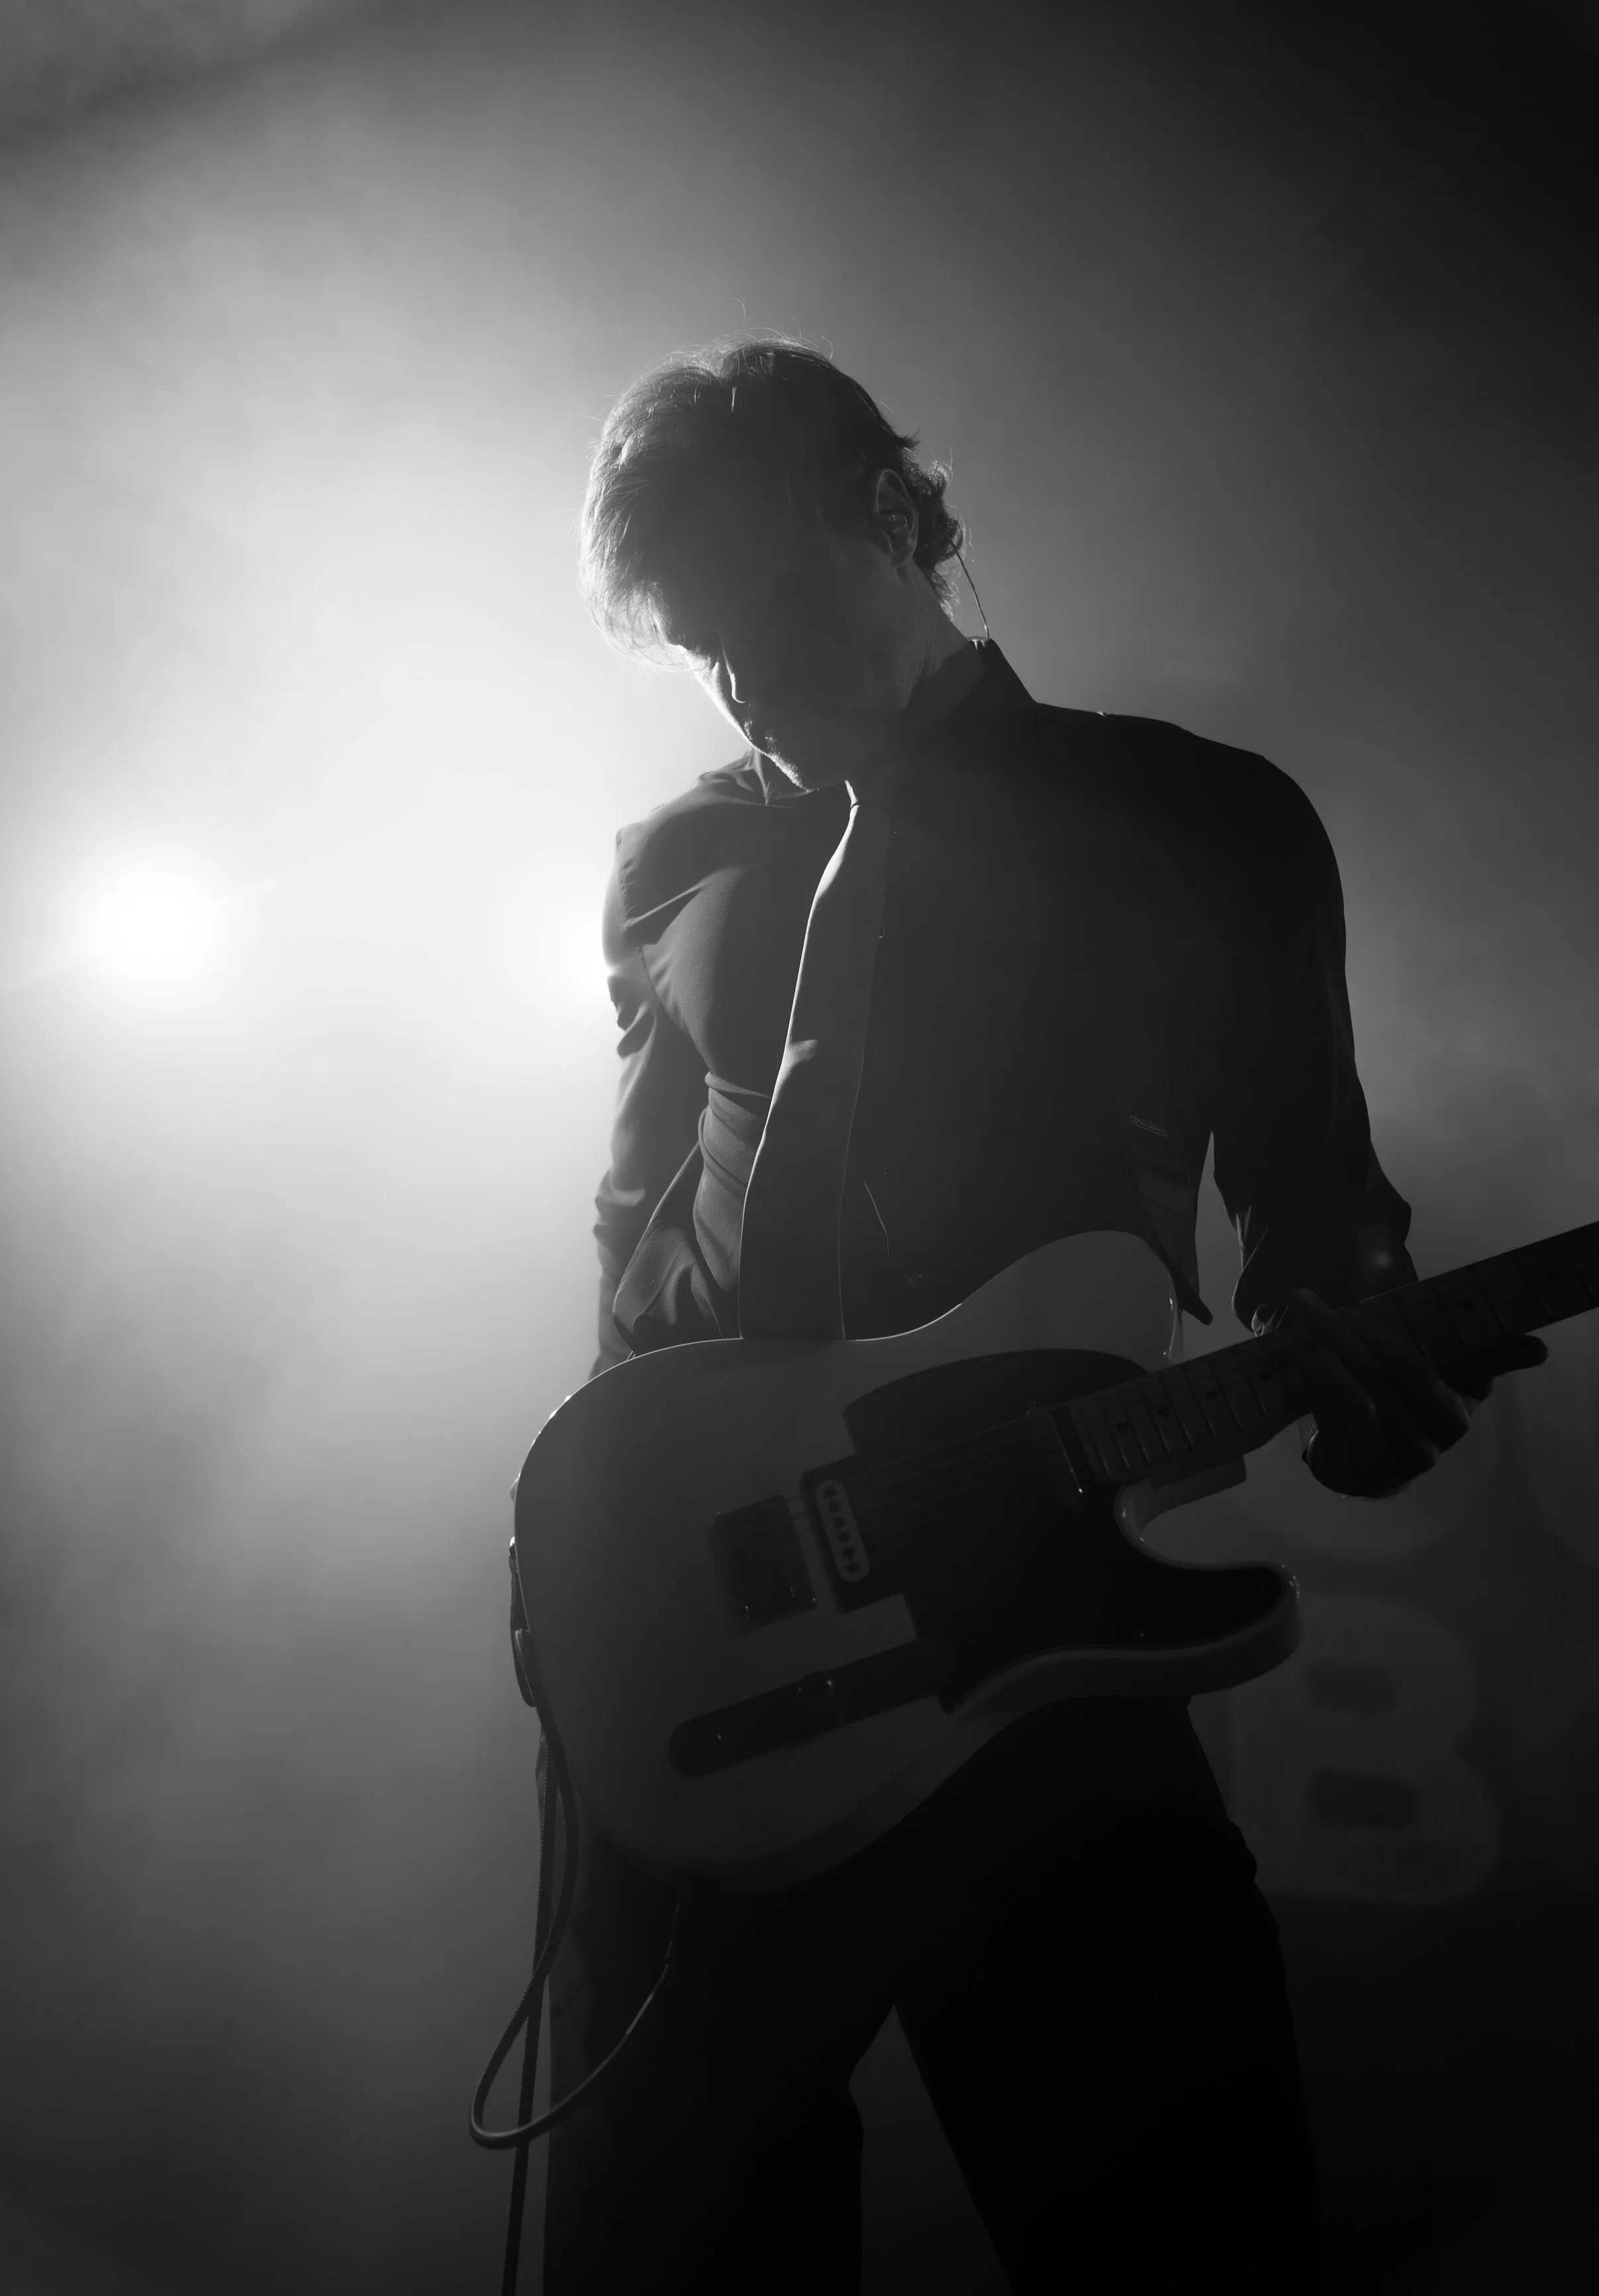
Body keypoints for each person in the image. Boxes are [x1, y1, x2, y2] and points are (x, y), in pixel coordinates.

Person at [532, 339, 1546, 2293]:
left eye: (760, 608)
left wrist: (1367, 1377)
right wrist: (587, 1570)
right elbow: (631, 1236)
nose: (740, 684)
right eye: (698, 646)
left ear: (896, 515)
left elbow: (1323, 1231)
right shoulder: (677, 860)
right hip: (707, 1683)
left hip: (1040, 1657)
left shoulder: (1200, 822)